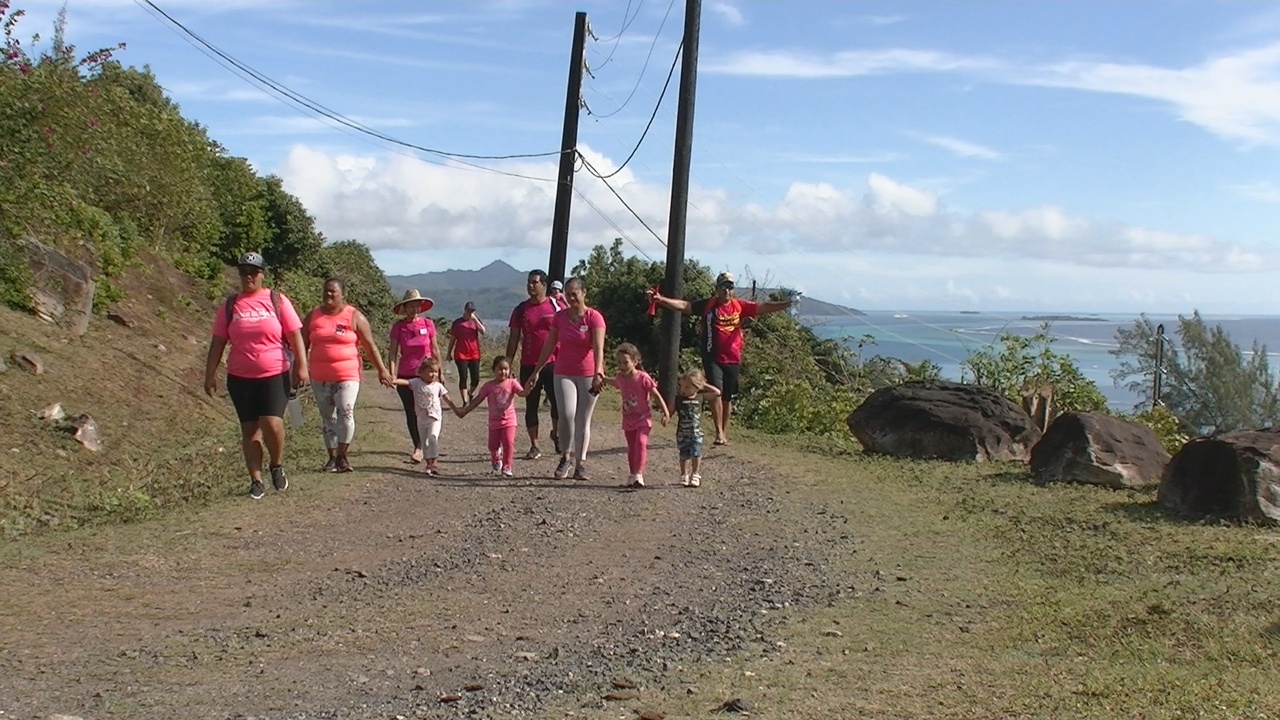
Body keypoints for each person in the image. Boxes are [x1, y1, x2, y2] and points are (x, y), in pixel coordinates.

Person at [204, 251, 309, 500]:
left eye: (253, 272)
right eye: (243, 272)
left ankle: (276, 463)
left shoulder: (277, 301)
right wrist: (209, 374)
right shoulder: (231, 306)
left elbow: (295, 336)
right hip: (240, 377)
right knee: (249, 430)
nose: (248, 277)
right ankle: (256, 480)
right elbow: (218, 342)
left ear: (262, 274)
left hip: (275, 372)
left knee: (272, 422)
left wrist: (301, 367)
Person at [646, 271, 793, 446]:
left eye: (730, 287)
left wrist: (788, 304)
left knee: (727, 397)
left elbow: (764, 307)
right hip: (712, 356)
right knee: (717, 392)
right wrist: (661, 300)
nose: (727, 291)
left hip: (733, 358)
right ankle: (718, 433)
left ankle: (723, 432)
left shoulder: (739, 306)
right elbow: (684, 306)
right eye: (723, 287)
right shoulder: (708, 305)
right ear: (717, 289)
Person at [302, 277, 394, 473]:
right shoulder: (313, 317)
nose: (328, 295)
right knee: (328, 418)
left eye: (333, 292)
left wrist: (382, 369)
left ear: (343, 295)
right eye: (326, 291)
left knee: (346, 411)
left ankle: (343, 456)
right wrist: (297, 369)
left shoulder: (354, 317)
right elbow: (301, 345)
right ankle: (332, 457)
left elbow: (370, 346)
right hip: (320, 376)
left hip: (347, 374)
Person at [529, 277, 606, 481]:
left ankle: (581, 462)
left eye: (575, 293)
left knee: (583, 419)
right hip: (563, 371)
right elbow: (550, 344)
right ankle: (565, 456)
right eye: (568, 293)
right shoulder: (560, 317)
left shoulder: (594, 317)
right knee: (566, 415)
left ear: (583, 293)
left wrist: (599, 372)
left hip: (588, 373)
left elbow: (599, 348)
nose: (571, 297)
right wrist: (537, 369)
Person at [506, 270, 564, 460]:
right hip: (529, 364)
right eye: (529, 282)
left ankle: (555, 434)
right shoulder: (521, 310)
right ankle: (534, 445)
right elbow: (513, 338)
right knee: (531, 405)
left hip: (553, 363)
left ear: (544, 285)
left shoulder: (556, 307)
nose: (530, 286)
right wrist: (508, 363)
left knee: (558, 403)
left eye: (534, 282)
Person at [388, 289, 440, 463]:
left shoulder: (427, 324)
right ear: (405, 307)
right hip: (405, 375)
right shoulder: (399, 327)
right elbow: (393, 352)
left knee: (427, 409)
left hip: (426, 376)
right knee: (411, 412)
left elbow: (434, 348)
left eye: (417, 306)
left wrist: (438, 370)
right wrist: (391, 373)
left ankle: (428, 443)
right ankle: (418, 447)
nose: (414, 309)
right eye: (410, 306)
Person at [455, 355, 529, 478]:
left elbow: (522, 393)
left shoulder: (512, 383)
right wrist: (465, 410)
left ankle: (507, 467)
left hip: (509, 421)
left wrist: (528, 389)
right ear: (493, 370)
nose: (503, 372)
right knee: (493, 445)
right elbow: (478, 400)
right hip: (494, 422)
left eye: (506, 369)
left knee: (508, 443)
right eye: (500, 369)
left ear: (510, 370)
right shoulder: (488, 386)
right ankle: (496, 458)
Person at [608, 343, 670, 488]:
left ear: (635, 362)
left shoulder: (643, 377)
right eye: (619, 362)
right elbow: (614, 382)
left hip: (643, 418)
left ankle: (639, 474)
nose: (622, 365)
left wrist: (665, 412)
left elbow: (656, 395)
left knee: (641, 442)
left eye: (626, 362)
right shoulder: (620, 377)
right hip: (628, 419)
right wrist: (602, 378)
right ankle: (632, 474)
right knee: (631, 447)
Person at [392, 357, 458, 476]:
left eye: (436, 371)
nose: (433, 374)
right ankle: (428, 463)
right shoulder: (416, 383)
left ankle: (434, 463)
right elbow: (405, 382)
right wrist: (392, 380)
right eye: (430, 371)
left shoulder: (438, 386)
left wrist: (456, 409)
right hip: (421, 419)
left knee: (432, 438)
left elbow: (447, 398)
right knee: (425, 442)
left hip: (435, 418)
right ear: (421, 372)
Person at [673, 368, 721, 488]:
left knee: (696, 453)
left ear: (696, 387)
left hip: (696, 432)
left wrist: (703, 384)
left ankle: (695, 474)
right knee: (683, 454)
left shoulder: (700, 397)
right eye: (682, 386)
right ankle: (684, 474)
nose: (683, 390)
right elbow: (671, 410)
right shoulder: (678, 399)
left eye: (687, 387)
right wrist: (666, 416)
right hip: (682, 432)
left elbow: (717, 392)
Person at [446, 301, 485, 404]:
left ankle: (470, 392)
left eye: (472, 311)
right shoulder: (457, 323)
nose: (470, 312)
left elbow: (483, 331)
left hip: (474, 354)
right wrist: (448, 353)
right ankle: (465, 402)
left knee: (475, 379)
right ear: (465, 310)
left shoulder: (475, 322)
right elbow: (452, 339)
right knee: (463, 377)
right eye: (468, 310)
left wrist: (475, 319)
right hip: (461, 354)